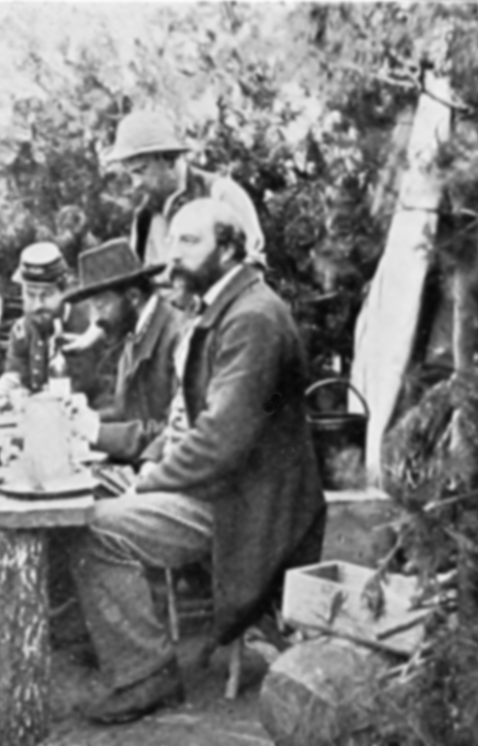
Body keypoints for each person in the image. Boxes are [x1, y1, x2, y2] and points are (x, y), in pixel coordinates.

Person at [70, 199, 326, 725]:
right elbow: (183, 423)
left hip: (249, 507)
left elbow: (219, 441)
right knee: (84, 502)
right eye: (172, 242)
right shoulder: (221, 310)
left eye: (189, 242)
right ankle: (116, 645)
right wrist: (147, 464)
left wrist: (148, 483)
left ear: (228, 249)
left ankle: (146, 673)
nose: (174, 257)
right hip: (221, 489)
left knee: (92, 529)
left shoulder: (253, 318)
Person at [105, 110, 265, 301]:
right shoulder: (144, 219)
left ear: (168, 159)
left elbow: (250, 273)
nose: (135, 183)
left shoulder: (220, 193)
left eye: (141, 171)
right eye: (130, 174)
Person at [63, 238, 187, 462]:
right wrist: (87, 417)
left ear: (133, 297)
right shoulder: (133, 334)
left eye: (101, 306)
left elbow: (172, 433)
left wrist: (95, 431)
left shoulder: (178, 336)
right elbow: (126, 414)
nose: (95, 320)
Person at [0, 241, 107, 410]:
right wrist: (8, 389)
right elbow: (18, 379)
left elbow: (107, 393)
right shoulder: (21, 331)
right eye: (30, 295)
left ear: (64, 292)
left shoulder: (91, 326)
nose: (37, 305)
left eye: (46, 295)